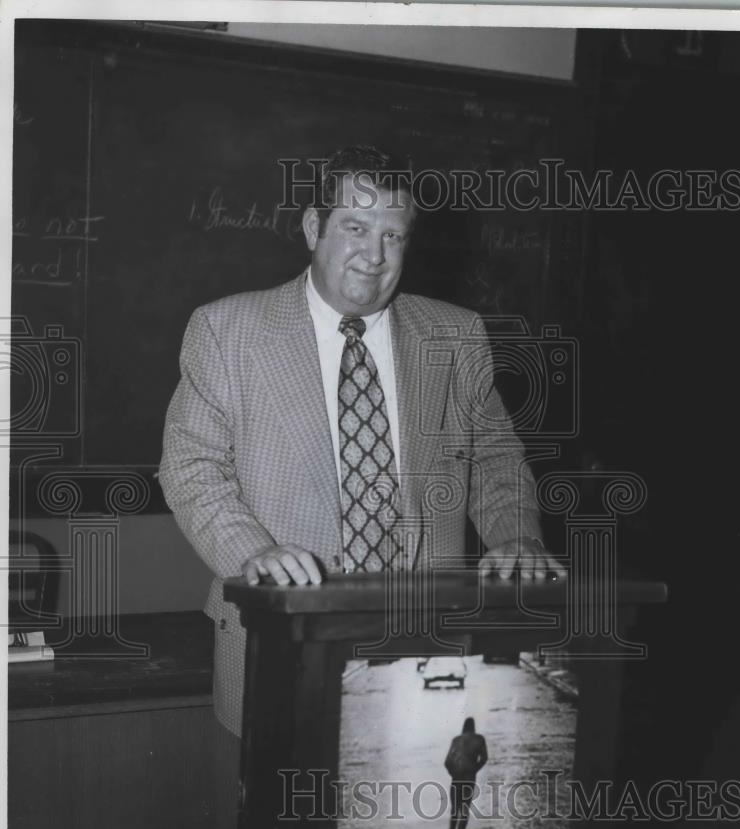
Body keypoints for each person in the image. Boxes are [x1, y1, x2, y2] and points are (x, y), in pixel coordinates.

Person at [159, 145, 565, 738]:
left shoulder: (455, 334)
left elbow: (496, 463)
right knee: (284, 819)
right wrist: (253, 554)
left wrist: (519, 538)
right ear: (312, 228)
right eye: (355, 227)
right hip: (285, 638)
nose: (374, 256)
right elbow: (191, 468)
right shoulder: (226, 330)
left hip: (430, 644)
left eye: (394, 237)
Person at [444, 717, 488, 829]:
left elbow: (447, 762)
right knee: (464, 809)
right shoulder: (479, 739)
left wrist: (453, 773)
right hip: (469, 779)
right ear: (474, 727)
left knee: (455, 808)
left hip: (456, 778)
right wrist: (475, 769)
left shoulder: (456, 740)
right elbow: (484, 758)